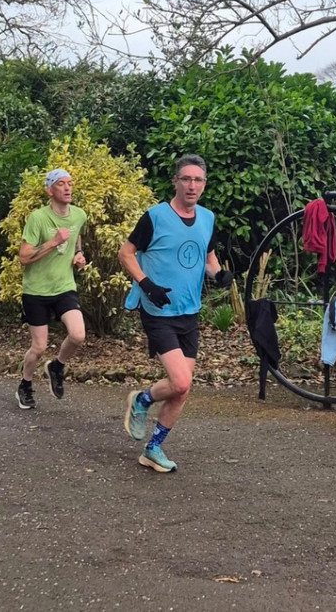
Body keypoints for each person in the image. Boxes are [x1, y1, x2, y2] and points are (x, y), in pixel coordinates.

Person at [118, 154, 233, 474]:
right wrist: (146, 284)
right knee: (181, 381)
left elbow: (208, 259)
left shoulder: (207, 218)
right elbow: (125, 254)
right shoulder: (154, 217)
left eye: (198, 180)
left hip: (189, 311)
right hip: (157, 309)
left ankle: (153, 448)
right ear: (176, 182)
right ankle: (142, 401)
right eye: (186, 179)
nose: (192, 185)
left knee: (182, 389)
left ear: (204, 185)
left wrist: (219, 275)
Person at [14, 168, 88, 410]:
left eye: (70, 183)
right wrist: (53, 242)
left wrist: (78, 254)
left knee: (78, 334)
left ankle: (57, 366)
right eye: (60, 184)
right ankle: (25, 384)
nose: (67, 188)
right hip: (36, 290)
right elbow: (24, 258)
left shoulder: (79, 215)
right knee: (39, 347)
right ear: (50, 190)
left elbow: (76, 237)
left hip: (64, 286)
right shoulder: (38, 218)